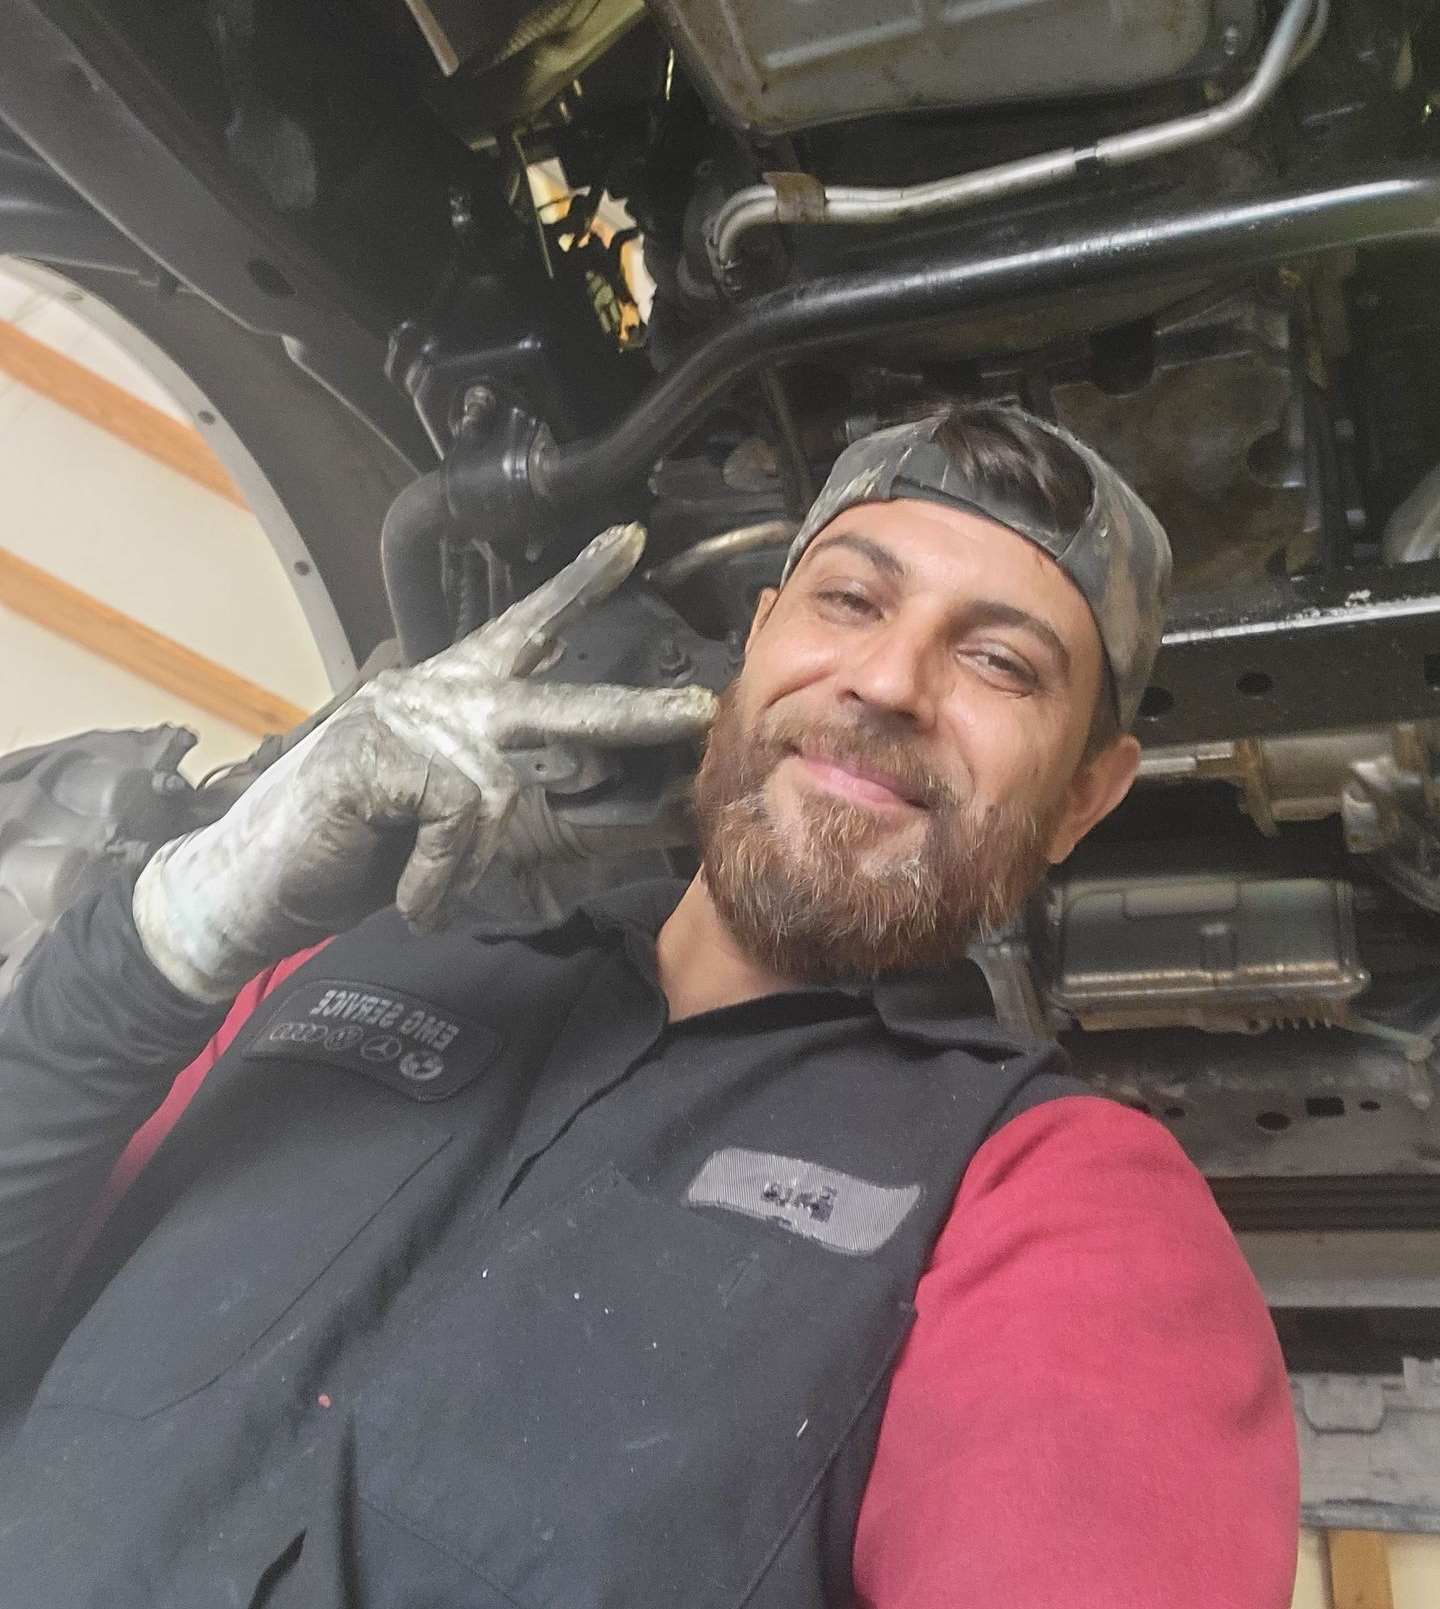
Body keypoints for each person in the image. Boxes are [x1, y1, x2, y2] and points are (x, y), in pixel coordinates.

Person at [0, 403, 1299, 1607]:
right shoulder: (319, 973)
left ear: (1084, 797)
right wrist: (164, 937)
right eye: (850, 599)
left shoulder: (1051, 1188)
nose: (889, 682)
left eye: (1003, 664)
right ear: (758, 639)